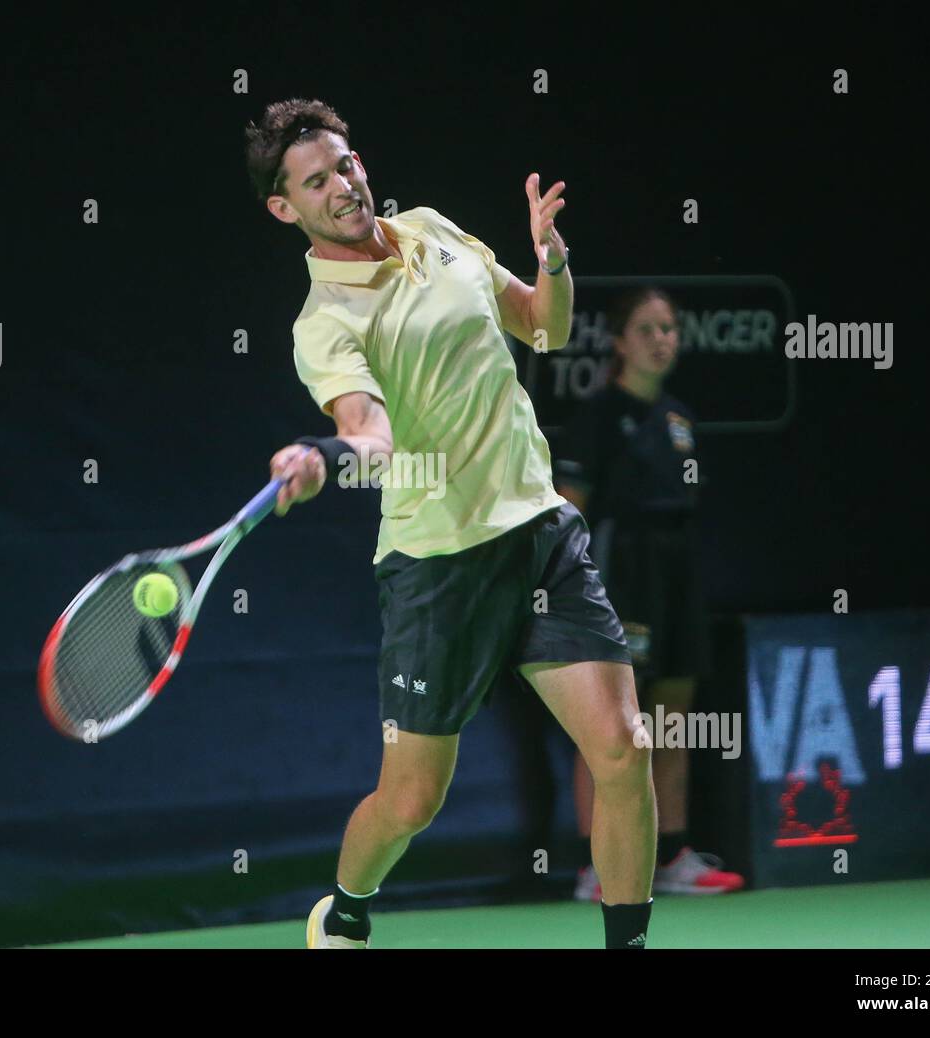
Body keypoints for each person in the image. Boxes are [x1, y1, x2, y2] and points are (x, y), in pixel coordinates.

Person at [244, 98, 657, 948]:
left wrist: (554, 261)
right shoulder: (325, 322)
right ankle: (348, 906)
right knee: (411, 801)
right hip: (438, 565)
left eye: (345, 164)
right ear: (285, 209)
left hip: (540, 530)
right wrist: (326, 457)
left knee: (622, 748)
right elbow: (372, 433)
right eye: (315, 182)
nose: (342, 186)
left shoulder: (432, 228)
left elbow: (543, 326)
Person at [555, 287, 744, 897]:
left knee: (673, 718)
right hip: (618, 570)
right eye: (647, 329)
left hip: (677, 571)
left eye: (669, 328)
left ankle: (671, 856)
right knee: (612, 723)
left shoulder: (680, 419)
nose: (662, 339)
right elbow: (569, 511)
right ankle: (597, 865)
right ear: (619, 342)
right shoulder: (598, 415)